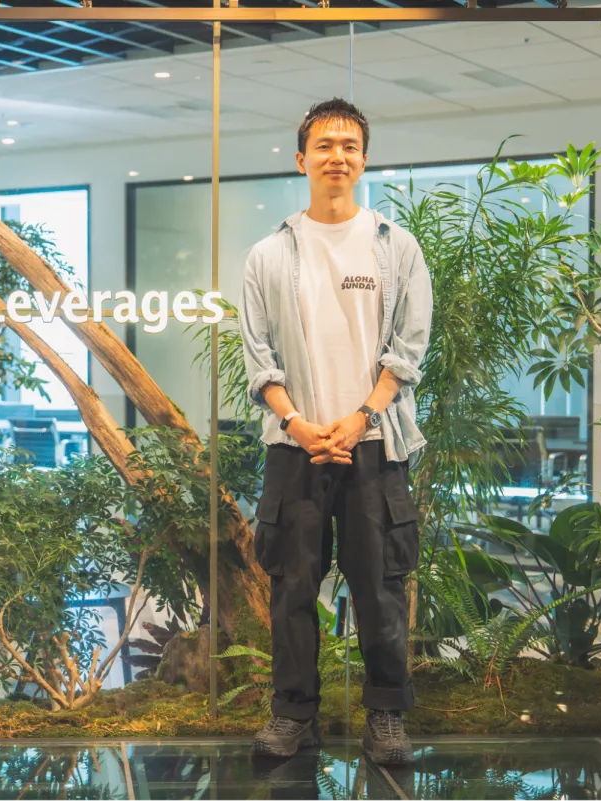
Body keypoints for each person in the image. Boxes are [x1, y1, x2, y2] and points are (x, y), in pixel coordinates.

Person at [239, 98, 432, 766]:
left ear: (364, 159)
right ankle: (294, 715)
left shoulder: (395, 246)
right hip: (296, 446)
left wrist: (362, 417)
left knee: (379, 585)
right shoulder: (269, 254)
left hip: (375, 443)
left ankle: (386, 716)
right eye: (324, 145)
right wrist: (296, 421)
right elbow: (257, 356)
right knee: (293, 587)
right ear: (302, 160)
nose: (337, 156)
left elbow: (409, 349)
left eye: (349, 145)